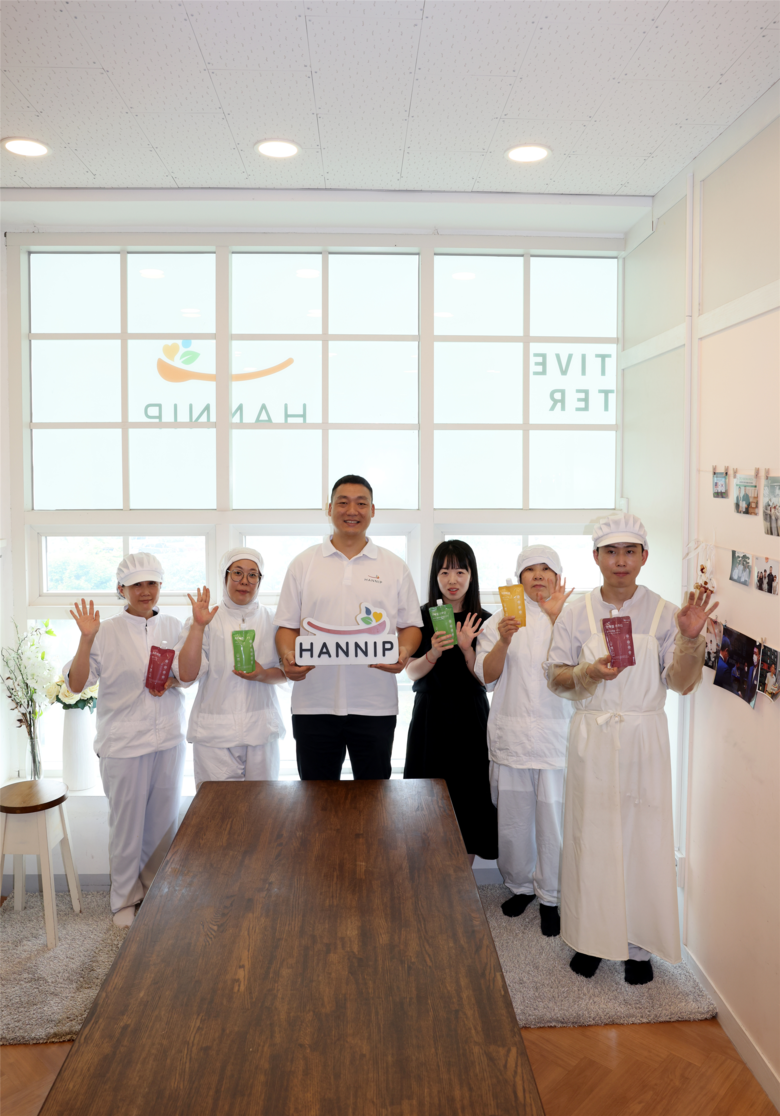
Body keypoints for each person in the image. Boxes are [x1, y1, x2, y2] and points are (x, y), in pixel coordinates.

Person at [545, 514, 717, 985]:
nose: (620, 561)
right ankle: (591, 939)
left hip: (644, 739)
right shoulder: (576, 613)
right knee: (592, 839)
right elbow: (555, 677)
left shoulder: (665, 613)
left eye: (629, 551)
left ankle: (639, 947)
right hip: (593, 737)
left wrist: (689, 637)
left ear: (644, 557)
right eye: (611, 552)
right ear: (596, 557)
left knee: (644, 840)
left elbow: (681, 683)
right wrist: (588, 674)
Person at [64, 554, 187, 927]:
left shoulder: (174, 625)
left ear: (160, 586)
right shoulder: (105, 632)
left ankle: (155, 892)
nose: (145, 591)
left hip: (168, 738)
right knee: (126, 827)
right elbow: (76, 684)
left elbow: (187, 673)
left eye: (151, 583)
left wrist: (173, 680)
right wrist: (86, 639)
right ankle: (123, 901)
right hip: (123, 744)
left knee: (163, 824)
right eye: (136, 585)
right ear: (121, 589)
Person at [275, 475, 422, 780]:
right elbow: (286, 626)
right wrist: (288, 656)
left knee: (374, 797)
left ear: (372, 510)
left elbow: (411, 626)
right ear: (329, 508)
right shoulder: (303, 564)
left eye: (361, 503)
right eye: (343, 502)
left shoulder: (394, 566)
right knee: (315, 798)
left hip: (375, 704)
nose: (351, 510)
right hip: (313, 703)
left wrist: (404, 651)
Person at [474, 545, 574, 937]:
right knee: (514, 822)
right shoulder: (501, 620)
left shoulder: (572, 617)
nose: (538, 576)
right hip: (512, 737)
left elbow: (582, 672)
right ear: (519, 579)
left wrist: (556, 619)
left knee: (553, 823)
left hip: (556, 738)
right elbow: (486, 676)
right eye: (530, 570)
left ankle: (551, 896)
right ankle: (520, 886)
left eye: (546, 569)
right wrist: (502, 640)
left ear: (558, 576)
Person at [403, 540, 497, 865]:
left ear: (471, 575)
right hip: (430, 715)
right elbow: (411, 672)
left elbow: (487, 679)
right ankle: (431, 878)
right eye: (444, 572)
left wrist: (467, 648)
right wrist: (433, 652)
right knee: (425, 795)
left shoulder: (485, 620)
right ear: (435, 576)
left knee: (470, 795)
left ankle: (463, 881)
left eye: (460, 571)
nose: (452, 579)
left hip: (471, 716)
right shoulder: (420, 618)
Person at [173, 548, 287, 788]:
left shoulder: (274, 620)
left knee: (263, 806)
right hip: (214, 736)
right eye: (237, 573)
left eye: (253, 575)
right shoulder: (205, 618)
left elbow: (287, 673)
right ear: (224, 576)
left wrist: (262, 675)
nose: (244, 581)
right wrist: (198, 626)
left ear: (260, 580)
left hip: (261, 731)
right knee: (217, 808)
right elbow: (186, 676)